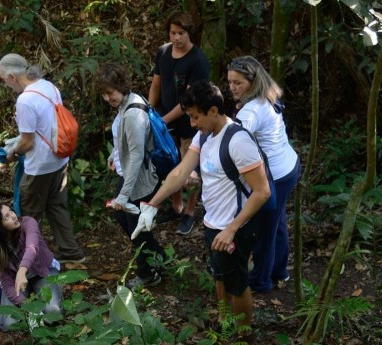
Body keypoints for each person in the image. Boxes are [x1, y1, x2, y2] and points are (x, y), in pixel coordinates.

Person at [133, 80, 271, 332]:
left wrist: (231, 228)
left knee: (237, 284)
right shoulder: (204, 134)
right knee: (220, 274)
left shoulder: (238, 142)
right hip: (213, 222)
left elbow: (262, 192)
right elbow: (180, 172)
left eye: (196, 117)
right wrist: (151, 204)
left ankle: (243, 333)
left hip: (236, 227)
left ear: (214, 111)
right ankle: (223, 319)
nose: (193, 123)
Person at [0, 53, 86, 264]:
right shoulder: (48, 86)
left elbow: (27, 142)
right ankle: (71, 251)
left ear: (12, 77)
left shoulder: (25, 100)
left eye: (4, 80)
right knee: (57, 206)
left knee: (30, 215)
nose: (6, 85)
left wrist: (12, 153)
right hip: (59, 159)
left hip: (39, 167)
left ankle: (32, 258)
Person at [227, 55, 301, 293]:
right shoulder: (266, 95)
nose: (232, 87)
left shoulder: (252, 110)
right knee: (277, 222)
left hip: (276, 176)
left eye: (238, 83)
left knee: (264, 232)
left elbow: (236, 138)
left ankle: (260, 281)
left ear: (252, 81)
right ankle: (279, 271)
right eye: (230, 82)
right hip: (288, 166)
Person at [94, 63, 167, 289]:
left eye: (110, 93)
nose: (107, 98)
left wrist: (124, 196)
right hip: (129, 176)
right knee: (124, 220)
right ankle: (159, 258)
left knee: (136, 228)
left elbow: (136, 156)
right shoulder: (127, 103)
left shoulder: (133, 113)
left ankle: (149, 273)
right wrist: (113, 155)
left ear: (121, 87)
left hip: (139, 180)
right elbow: (124, 141)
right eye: (104, 94)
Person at [148, 10, 211, 235]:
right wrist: (149, 112)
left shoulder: (198, 60)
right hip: (165, 122)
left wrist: (162, 121)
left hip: (189, 123)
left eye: (181, 33)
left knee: (190, 170)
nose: (176, 38)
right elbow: (156, 84)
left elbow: (189, 101)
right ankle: (176, 206)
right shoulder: (163, 53)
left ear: (189, 33)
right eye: (173, 33)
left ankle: (190, 212)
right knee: (171, 164)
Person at [0, 203, 62, 330]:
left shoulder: (28, 222)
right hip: (17, 283)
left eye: (11, 212)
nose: (13, 216)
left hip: (43, 273)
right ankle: (31, 304)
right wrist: (28, 307)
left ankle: (39, 299)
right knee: (9, 325)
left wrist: (21, 271)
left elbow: (32, 248)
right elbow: (6, 282)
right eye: (6, 217)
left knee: (53, 313)